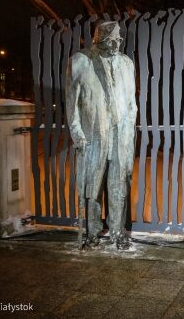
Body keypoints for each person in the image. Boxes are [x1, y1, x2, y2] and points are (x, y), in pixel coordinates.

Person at [65, 21, 137, 249]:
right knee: (92, 187)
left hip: (121, 135)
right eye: (112, 40)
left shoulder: (126, 63)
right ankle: (92, 233)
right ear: (100, 39)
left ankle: (117, 233)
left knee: (118, 186)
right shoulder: (80, 61)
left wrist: (129, 131)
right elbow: (71, 102)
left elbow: (132, 102)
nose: (117, 44)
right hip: (93, 134)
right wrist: (77, 133)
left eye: (119, 40)